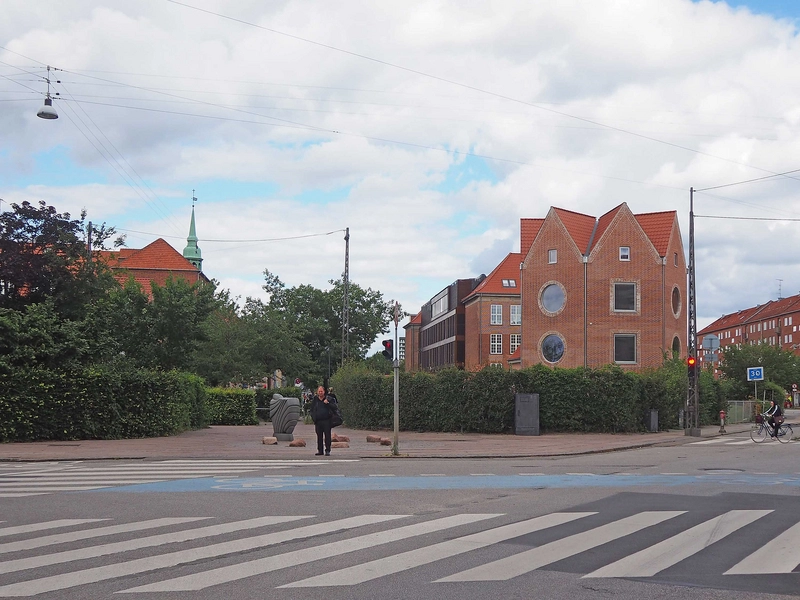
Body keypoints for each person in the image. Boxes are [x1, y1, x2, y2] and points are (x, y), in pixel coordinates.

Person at [310, 385, 334, 456]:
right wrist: (314, 417)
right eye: (319, 391)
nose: (320, 393)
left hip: (327, 420)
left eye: (321, 391)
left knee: (327, 436)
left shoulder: (328, 398)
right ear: (317, 392)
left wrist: (328, 403)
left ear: (324, 392)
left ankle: (328, 450)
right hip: (318, 421)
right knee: (319, 436)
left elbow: (334, 407)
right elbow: (312, 409)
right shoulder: (315, 399)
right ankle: (320, 450)